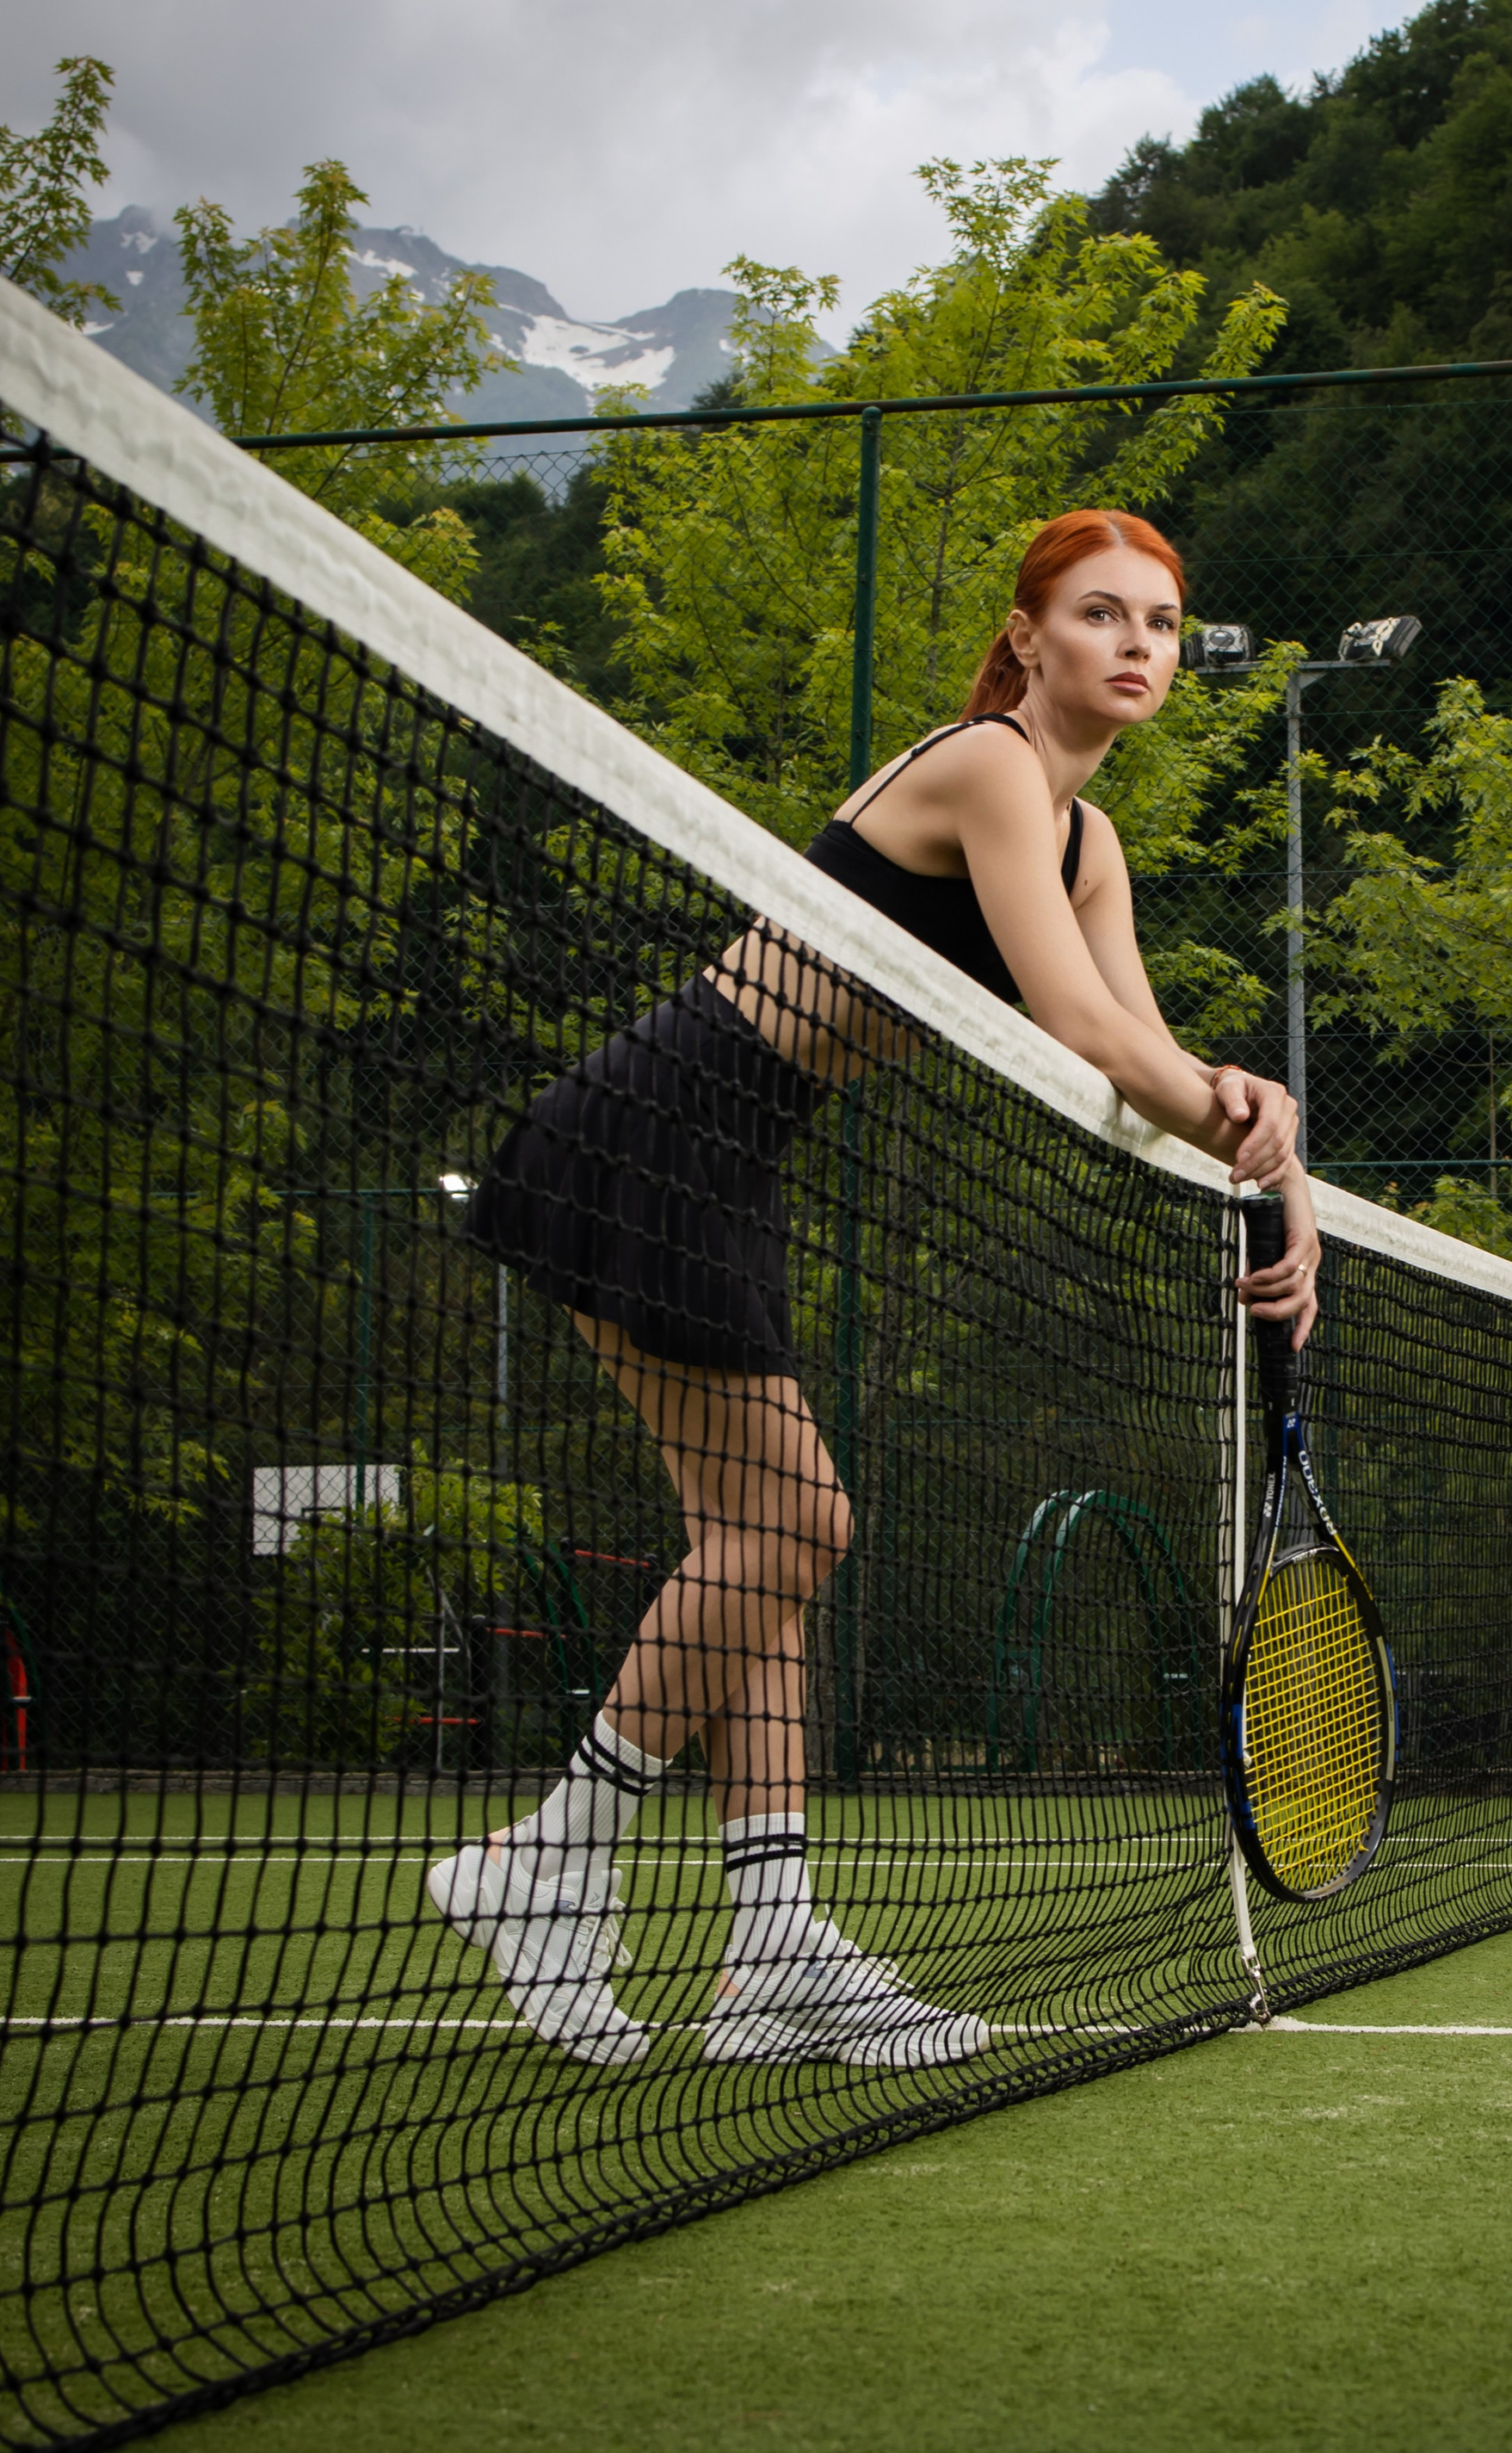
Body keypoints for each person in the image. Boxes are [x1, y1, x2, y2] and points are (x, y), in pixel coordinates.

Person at [428, 508, 1320, 2067]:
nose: (1137, 646)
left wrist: (1278, 1163)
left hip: (727, 1157)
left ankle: (768, 1953)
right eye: (1101, 615)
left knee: (758, 1541)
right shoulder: (987, 767)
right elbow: (1082, 1034)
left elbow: (1148, 1061)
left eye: (1162, 624)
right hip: (655, 1129)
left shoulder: (1084, 837)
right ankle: (547, 1857)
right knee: (799, 1523)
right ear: (1029, 639)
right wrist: (1234, 1113)